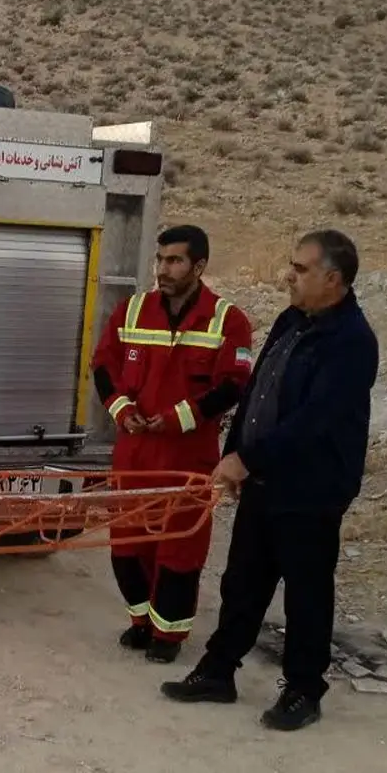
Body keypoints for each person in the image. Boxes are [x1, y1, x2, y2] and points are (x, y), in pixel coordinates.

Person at [162, 228, 379, 732]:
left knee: (305, 593)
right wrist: (236, 453)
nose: (289, 276)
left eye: (300, 270)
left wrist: (248, 461)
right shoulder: (293, 320)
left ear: (334, 278)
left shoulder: (351, 342)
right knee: (243, 582)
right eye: (292, 266)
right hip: (265, 479)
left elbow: (312, 421)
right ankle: (219, 671)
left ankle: (304, 690)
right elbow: (259, 392)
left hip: (311, 490)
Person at [92, 225, 254, 662]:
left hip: (187, 457)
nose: (163, 269)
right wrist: (124, 412)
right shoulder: (132, 310)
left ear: (198, 266)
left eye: (174, 261)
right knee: (128, 545)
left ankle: (170, 635)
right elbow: (103, 366)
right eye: (160, 260)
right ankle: (140, 622)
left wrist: (176, 419)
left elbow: (233, 385)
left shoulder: (227, 320)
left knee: (179, 550)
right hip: (134, 452)